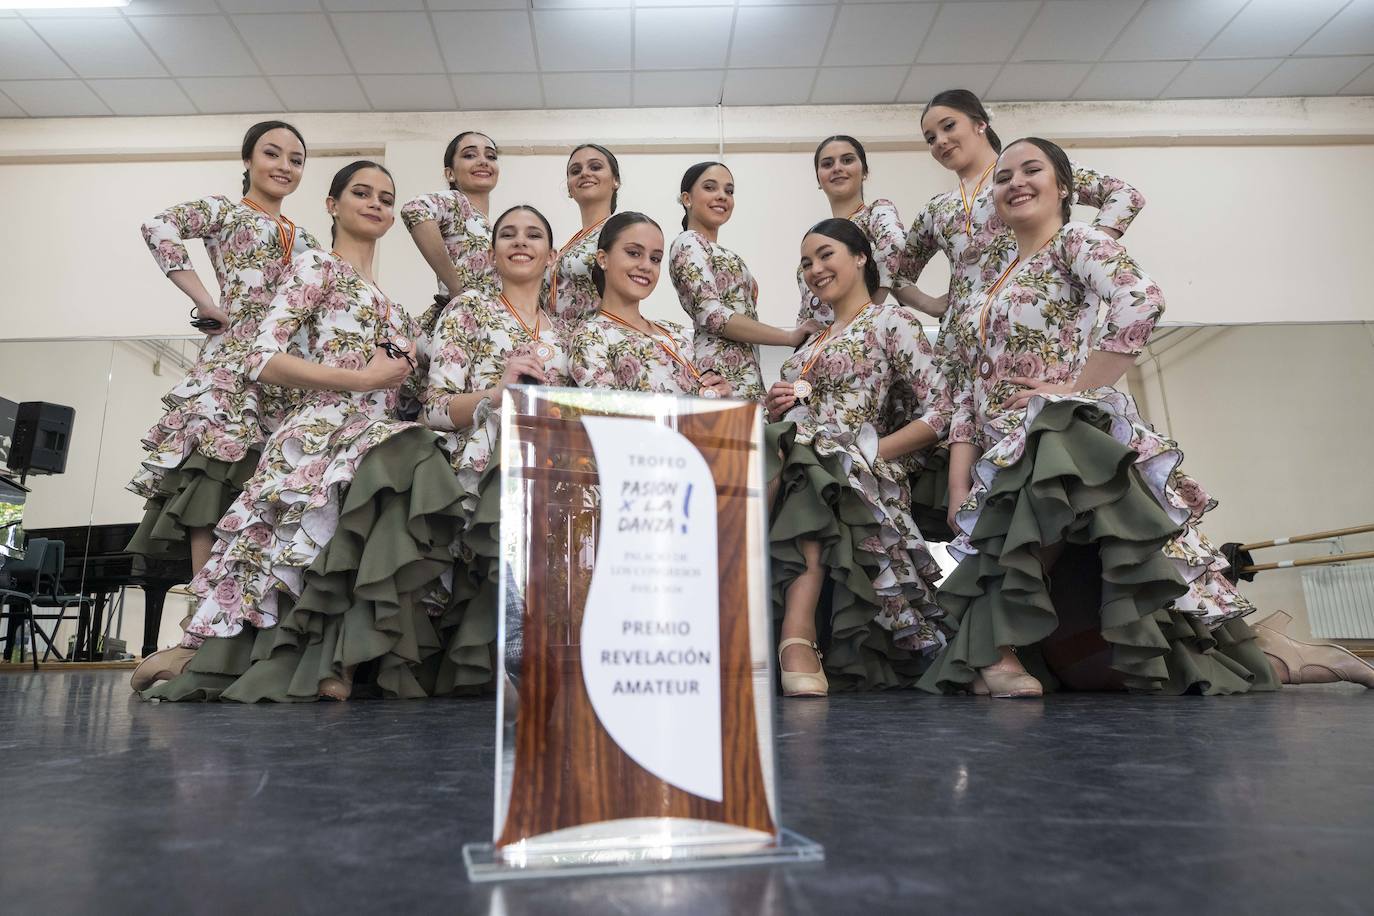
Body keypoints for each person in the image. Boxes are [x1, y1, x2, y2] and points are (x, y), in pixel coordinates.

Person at [919, 138, 1330, 698]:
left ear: (1063, 185)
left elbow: (1142, 298)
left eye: (1032, 170)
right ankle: (1290, 658)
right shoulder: (985, 279)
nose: (1015, 182)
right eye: (1004, 176)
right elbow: (966, 386)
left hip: (1063, 447)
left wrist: (1073, 390)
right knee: (1106, 659)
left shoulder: (1078, 241)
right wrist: (960, 475)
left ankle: (996, 649)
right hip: (1000, 453)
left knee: (1100, 594)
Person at [135, 161, 464, 701]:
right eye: (362, 192)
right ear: (332, 205)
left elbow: (411, 394)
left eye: (386, 196)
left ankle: (345, 660)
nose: (377, 203)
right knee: (274, 572)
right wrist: (360, 378)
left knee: (415, 466)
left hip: (373, 434)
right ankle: (199, 656)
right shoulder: (315, 268)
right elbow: (261, 360)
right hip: (317, 433)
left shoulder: (397, 310)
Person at [127, 121, 320, 581]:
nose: (284, 166)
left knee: (270, 490)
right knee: (216, 477)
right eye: (272, 154)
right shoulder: (226, 212)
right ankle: (204, 601)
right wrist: (204, 301)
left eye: (296, 160)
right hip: (234, 363)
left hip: (287, 371)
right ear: (249, 160)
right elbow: (157, 227)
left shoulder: (309, 240)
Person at [766, 219, 948, 697]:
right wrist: (779, 409)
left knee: (814, 465)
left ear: (861, 257)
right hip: (802, 459)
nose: (815, 269)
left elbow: (943, 410)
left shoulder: (893, 320)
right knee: (778, 457)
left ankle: (797, 636)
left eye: (826, 255)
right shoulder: (810, 343)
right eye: (806, 263)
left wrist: (868, 450)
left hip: (859, 469)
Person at [421, 204, 569, 690]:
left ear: (551, 254)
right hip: (484, 462)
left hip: (557, 465)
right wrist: (496, 394)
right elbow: (434, 408)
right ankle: (513, 659)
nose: (520, 242)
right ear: (492, 252)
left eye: (533, 234)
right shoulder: (469, 310)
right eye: (508, 234)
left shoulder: (565, 331)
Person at [898, 89, 1144, 345]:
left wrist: (1083, 252)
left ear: (980, 124)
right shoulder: (937, 209)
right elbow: (898, 274)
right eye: (930, 138)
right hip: (960, 341)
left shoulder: (1031, 168)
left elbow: (1125, 195)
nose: (941, 141)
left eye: (949, 126)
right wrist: (930, 304)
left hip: (1031, 325)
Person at [669, 161, 819, 402]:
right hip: (718, 374)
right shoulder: (689, 242)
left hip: (746, 371)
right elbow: (712, 316)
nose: (722, 196)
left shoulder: (718, 251)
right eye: (710, 187)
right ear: (687, 199)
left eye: (729, 191)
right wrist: (788, 337)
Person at [567, 211, 730, 398]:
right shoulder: (591, 336)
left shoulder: (677, 334)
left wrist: (718, 395)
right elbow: (606, 413)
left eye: (655, 259)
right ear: (603, 259)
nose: (646, 266)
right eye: (634, 253)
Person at [796, 135, 938, 325]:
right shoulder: (816, 237)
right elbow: (807, 303)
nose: (837, 168)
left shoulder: (875, 213)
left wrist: (866, 312)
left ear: (865, 172)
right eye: (827, 164)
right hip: (816, 344)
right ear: (818, 179)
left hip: (854, 338)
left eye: (847, 160)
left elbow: (893, 246)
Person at [400, 130, 500, 335]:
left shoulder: (492, 227)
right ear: (450, 173)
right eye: (470, 155)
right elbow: (414, 209)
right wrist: (456, 289)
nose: (483, 161)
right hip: (463, 324)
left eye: (490, 156)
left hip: (489, 327)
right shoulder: (458, 202)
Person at [549, 143, 622, 321]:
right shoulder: (574, 242)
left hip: (594, 340)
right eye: (575, 171)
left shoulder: (622, 231)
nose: (584, 173)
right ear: (569, 188)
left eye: (595, 167)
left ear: (615, 180)